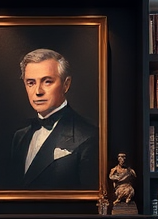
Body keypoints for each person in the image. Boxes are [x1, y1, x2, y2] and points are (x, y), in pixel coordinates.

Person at [9, 48, 98, 190]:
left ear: (66, 84)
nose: (38, 91)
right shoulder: (19, 137)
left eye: (47, 82)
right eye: (31, 83)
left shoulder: (89, 136)